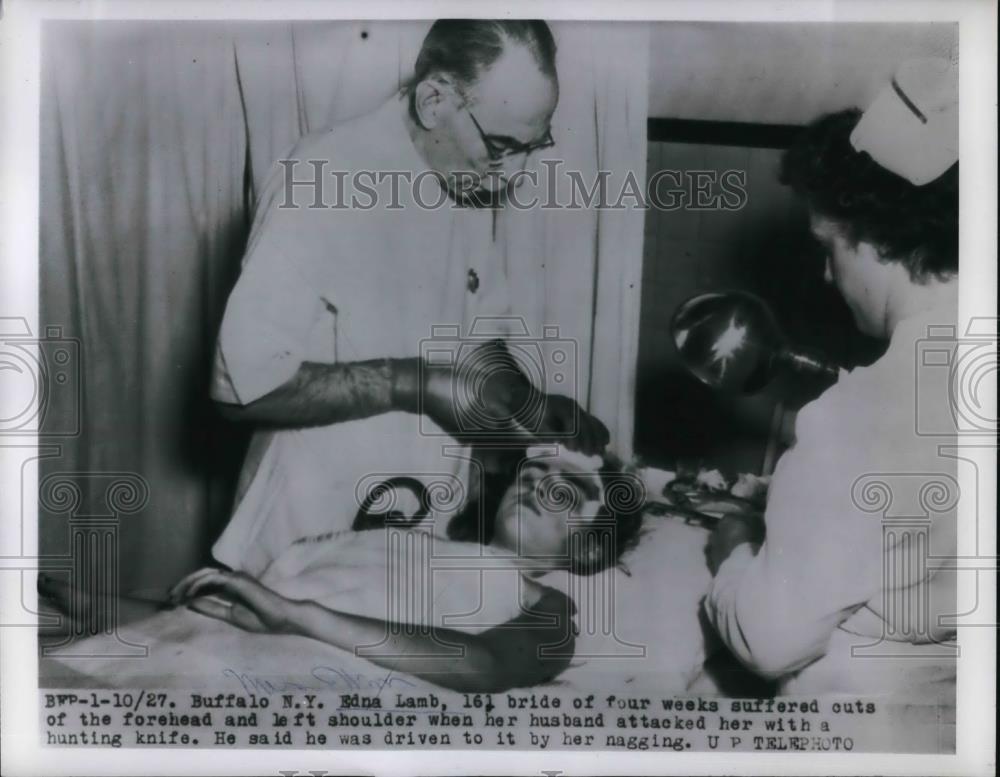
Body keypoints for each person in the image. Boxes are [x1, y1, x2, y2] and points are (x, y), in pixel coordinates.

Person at [209, 20, 609, 576]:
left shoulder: (469, 177)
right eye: (502, 145)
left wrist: (524, 400)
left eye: (531, 147)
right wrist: (413, 384)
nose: (514, 173)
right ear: (433, 99)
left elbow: (479, 336)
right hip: (304, 536)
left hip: (421, 528)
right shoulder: (323, 178)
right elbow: (239, 391)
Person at [703, 58, 960, 700]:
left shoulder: (865, 415)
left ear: (873, 238)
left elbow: (767, 640)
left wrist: (730, 551)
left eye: (828, 247)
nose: (826, 275)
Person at [42, 448, 644, 692]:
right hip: (160, 657)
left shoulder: (547, 608)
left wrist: (298, 618)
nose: (538, 478)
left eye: (569, 485)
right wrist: (85, 603)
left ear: (589, 548)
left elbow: (482, 666)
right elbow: (218, 616)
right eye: (533, 469)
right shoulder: (395, 545)